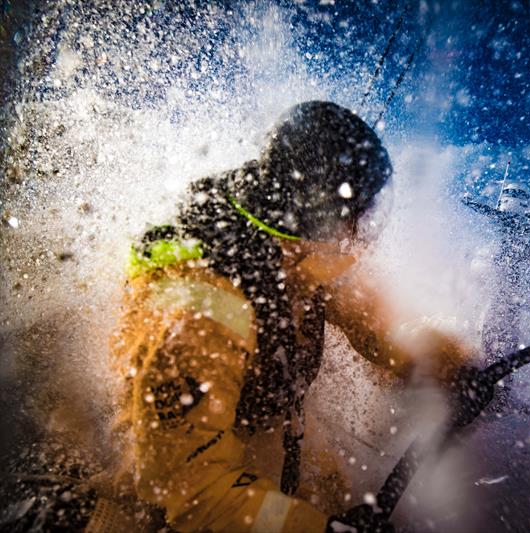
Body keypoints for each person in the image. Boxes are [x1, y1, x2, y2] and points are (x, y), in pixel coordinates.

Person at [106, 101, 472, 532]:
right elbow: (192, 490)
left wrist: (445, 365)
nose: (363, 238)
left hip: (248, 414)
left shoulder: (297, 242)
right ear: (320, 218)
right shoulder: (200, 315)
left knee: (328, 490)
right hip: (174, 465)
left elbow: (379, 329)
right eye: (358, 221)